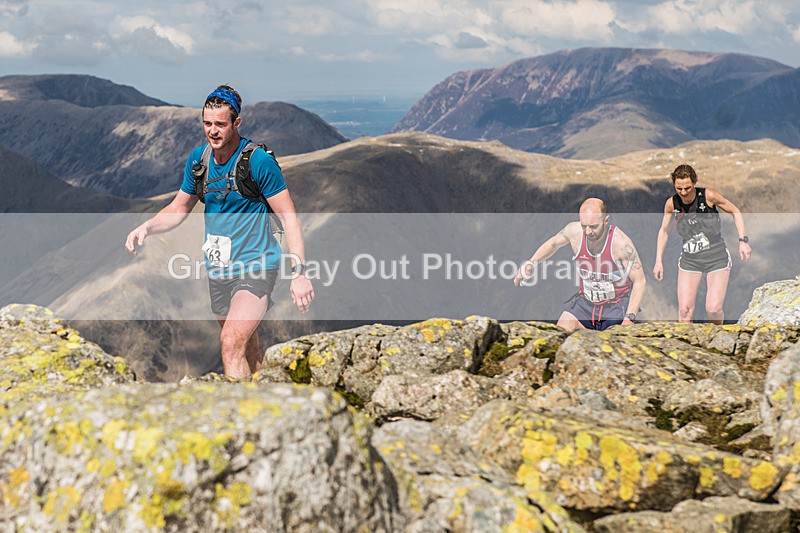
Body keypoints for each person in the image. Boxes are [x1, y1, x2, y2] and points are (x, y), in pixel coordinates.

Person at [125, 85, 314, 378]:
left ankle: (238, 419)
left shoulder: (258, 162)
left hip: (256, 265)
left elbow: (289, 218)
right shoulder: (199, 161)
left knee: (229, 342)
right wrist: (146, 227)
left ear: (236, 123)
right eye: (207, 123)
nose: (212, 131)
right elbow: (178, 209)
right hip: (219, 270)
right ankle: (262, 397)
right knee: (244, 341)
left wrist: (299, 272)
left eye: (220, 124)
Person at [513, 198, 646, 331]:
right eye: (584, 225)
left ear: (606, 221)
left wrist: (629, 317)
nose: (588, 232)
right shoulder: (574, 232)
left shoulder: (621, 244)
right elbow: (554, 243)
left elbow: (640, 281)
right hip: (585, 304)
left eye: (593, 226)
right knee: (559, 333)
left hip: (616, 308)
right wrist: (531, 263)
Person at [653, 164, 750, 324]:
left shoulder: (709, 196)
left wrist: (743, 241)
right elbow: (664, 231)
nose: (683, 193)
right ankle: (685, 347)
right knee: (684, 312)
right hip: (690, 260)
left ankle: (717, 338)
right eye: (679, 188)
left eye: (688, 188)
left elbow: (735, 211)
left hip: (716, 258)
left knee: (713, 309)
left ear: (695, 182)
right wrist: (658, 261)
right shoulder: (671, 204)